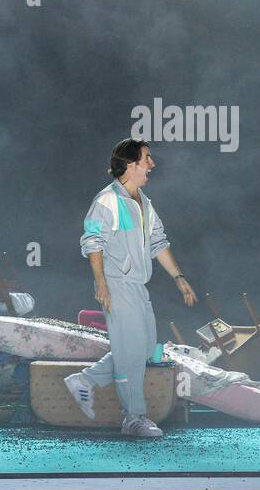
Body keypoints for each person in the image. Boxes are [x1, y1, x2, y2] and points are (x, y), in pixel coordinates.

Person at [65, 139, 197, 437]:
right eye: (147, 158)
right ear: (130, 163)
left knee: (147, 347)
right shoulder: (107, 200)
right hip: (116, 284)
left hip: (137, 286)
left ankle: (85, 380)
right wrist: (101, 283)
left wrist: (179, 278)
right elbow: (92, 241)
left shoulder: (144, 203)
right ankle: (133, 417)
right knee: (129, 352)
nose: (152, 164)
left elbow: (159, 243)